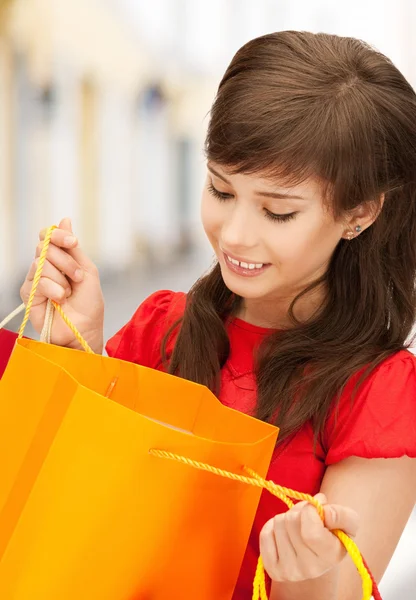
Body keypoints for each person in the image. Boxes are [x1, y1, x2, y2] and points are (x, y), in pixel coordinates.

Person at [20, 31, 416, 600]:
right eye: (220, 190)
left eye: (278, 212)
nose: (234, 235)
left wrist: (304, 576)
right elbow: (59, 507)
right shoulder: (161, 330)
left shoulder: (377, 396)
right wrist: (74, 349)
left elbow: (340, 589)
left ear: (360, 212)